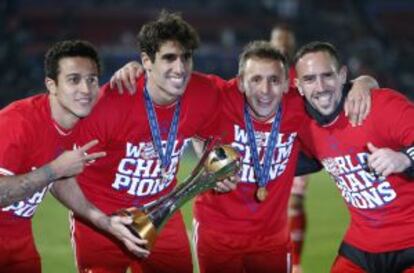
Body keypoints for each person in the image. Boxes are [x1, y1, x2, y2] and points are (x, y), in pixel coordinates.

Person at [110, 39, 377, 273]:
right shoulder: (218, 96)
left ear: (287, 84)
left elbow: (346, 88)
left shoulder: (300, 104)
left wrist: (364, 82)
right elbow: (169, 82)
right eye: (256, 80)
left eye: (274, 80)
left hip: (272, 239)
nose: (265, 90)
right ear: (239, 83)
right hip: (218, 236)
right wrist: (138, 70)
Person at [70, 11, 235, 273]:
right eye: (169, 58)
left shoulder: (204, 93)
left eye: (186, 57)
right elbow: (63, 171)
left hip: (164, 210)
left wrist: (214, 166)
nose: (180, 68)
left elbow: (211, 138)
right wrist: (98, 219)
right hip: (104, 218)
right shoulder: (109, 104)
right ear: (147, 61)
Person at [0, 40, 143, 273]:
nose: (85, 90)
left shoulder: (77, 121)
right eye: (73, 80)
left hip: (18, 238)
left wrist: (104, 221)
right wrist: (54, 169)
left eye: (91, 79)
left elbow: (60, 182)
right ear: (52, 85)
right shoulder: (16, 122)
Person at [294, 41, 414, 273]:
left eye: (327, 75)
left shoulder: (382, 106)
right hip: (362, 247)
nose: (320, 87)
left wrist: (405, 159)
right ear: (298, 86)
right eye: (309, 79)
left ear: (342, 75)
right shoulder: (304, 124)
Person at [271, 24, 308, 273]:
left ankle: (295, 264)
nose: (283, 45)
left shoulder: (302, 74)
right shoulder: (261, 70)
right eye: (279, 41)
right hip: (266, 148)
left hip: (296, 146)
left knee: (294, 202)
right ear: (271, 42)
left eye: (287, 41)